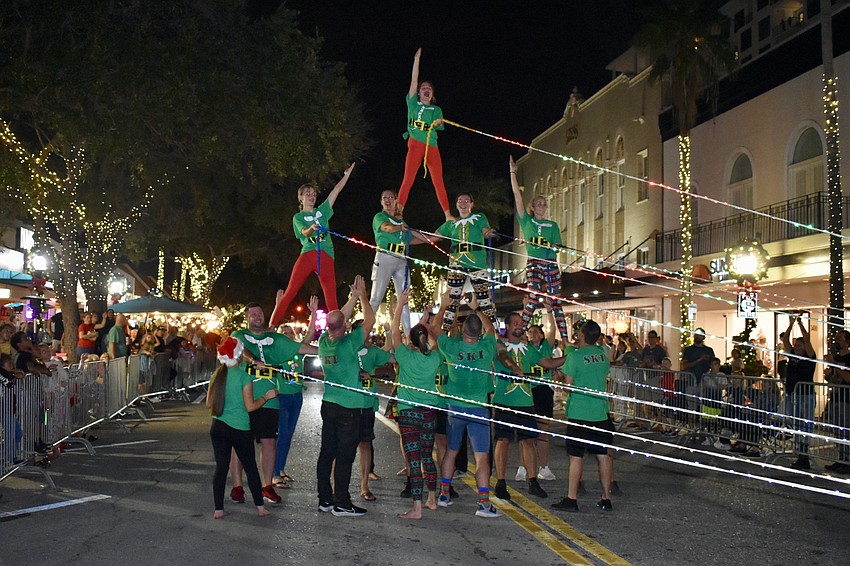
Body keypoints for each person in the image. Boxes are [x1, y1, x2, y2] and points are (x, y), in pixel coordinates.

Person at [229, 299, 319, 504]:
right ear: (246, 318)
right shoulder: (239, 335)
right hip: (244, 396)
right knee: (240, 443)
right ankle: (237, 487)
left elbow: (301, 347)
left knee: (269, 442)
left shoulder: (275, 339)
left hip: (269, 398)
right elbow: (238, 349)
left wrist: (328, 352)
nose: (257, 317)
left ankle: (267, 486)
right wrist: (253, 360)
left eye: (259, 313)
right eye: (252, 314)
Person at [429, 288, 503, 518]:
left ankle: (443, 494)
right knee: (482, 457)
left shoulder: (452, 348)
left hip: (454, 407)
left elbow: (433, 329)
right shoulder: (486, 347)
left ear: (462, 331)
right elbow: (492, 328)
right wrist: (477, 309)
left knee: (451, 451)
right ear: (479, 334)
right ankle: (483, 504)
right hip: (479, 408)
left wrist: (444, 306)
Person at [269, 163, 356, 328]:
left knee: (331, 297)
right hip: (309, 254)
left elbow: (335, 192)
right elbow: (304, 232)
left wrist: (346, 176)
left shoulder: (321, 212)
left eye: (314, 194)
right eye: (307, 194)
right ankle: (272, 326)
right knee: (290, 291)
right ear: (300, 198)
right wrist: (311, 228)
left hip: (326, 255)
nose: (311, 196)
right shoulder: (298, 217)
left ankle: (337, 332)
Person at [316, 275, 375, 517]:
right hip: (348, 408)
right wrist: (362, 296)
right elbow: (369, 319)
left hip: (328, 404)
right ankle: (341, 502)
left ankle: (325, 499)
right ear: (345, 327)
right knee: (344, 457)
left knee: (326, 453)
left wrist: (352, 297)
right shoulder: (350, 343)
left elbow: (338, 317)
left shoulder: (323, 342)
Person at [493, 311, 565, 502]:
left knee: (528, 441)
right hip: (504, 402)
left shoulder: (529, 349)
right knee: (503, 441)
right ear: (507, 326)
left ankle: (533, 481)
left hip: (526, 402)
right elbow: (502, 357)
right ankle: (500, 482)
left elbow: (548, 363)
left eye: (520, 323)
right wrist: (513, 367)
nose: (519, 325)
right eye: (515, 322)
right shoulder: (499, 345)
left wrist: (570, 357)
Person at [207, 337, 276, 519]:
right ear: (238, 356)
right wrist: (267, 397)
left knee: (220, 469)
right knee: (250, 468)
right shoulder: (244, 376)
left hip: (218, 426)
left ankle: (218, 510)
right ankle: (260, 508)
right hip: (239, 428)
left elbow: (208, 403)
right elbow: (250, 406)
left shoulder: (217, 375)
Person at [389, 288, 443, 519]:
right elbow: (432, 342)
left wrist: (400, 305)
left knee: (414, 460)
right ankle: (432, 498)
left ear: (410, 340)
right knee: (427, 456)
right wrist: (427, 322)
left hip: (409, 413)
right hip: (429, 411)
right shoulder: (435, 358)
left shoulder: (405, 356)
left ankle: (417, 508)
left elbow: (394, 333)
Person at [551, 320, 614, 512]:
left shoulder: (575, 357)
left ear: (583, 335)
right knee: (603, 456)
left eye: (579, 332)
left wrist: (561, 376)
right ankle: (606, 498)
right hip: (601, 412)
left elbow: (568, 386)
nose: (577, 335)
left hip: (580, 412)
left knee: (576, 457)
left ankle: (572, 499)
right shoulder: (603, 355)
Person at [509, 156, 569, 342]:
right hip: (534, 263)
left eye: (544, 204)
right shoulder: (527, 221)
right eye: (539, 204)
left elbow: (557, 246)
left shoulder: (553, 225)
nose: (542, 206)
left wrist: (556, 246)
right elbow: (517, 196)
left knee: (556, 301)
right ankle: (520, 333)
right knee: (533, 298)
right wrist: (513, 173)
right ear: (533, 207)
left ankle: (565, 338)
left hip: (550, 263)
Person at [397, 48, 452, 222]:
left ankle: (447, 214)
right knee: (408, 178)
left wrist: (438, 122)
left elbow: (440, 121)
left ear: (432, 94)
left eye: (429, 89)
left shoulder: (436, 109)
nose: (426, 90)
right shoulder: (412, 103)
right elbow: (414, 81)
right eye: (423, 88)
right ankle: (399, 210)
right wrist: (416, 60)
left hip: (432, 146)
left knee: (438, 180)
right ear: (419, 93)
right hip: (415, 143)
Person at [368, 190, 428, 335]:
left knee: (405, 298)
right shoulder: (380, 217)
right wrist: (400, 228)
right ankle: (364, 332)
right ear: (381, 202)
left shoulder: (401, 221)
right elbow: (386, 228)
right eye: (384, 198)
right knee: (376, 297)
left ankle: (409, 336)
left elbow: (412, 238)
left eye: (391, 198)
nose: (388, 200)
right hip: (385, 256)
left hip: (401, 259)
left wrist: (432, 239)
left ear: (396, 201)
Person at [434, 193, 497, 331]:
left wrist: (489, 233)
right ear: (456, 205)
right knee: (452, 300)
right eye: (460, 201)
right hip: (456, 263)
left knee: (484, 300)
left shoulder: (480, 217)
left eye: (466, 201)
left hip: (477, 264)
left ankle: (494, 334)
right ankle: (443, 333)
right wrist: (411, 236)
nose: (463, 203)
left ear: (471, 204)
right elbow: (432, 237)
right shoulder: (450, 224)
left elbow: (485, 231)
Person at [272, 306, 318, 490]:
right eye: (283, 333)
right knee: (281, 434)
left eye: (290, 333)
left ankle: (280, 468)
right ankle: (275, 474)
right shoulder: (276, 352)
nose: (287, 335)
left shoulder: (298, 350)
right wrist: (278, 305)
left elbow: (311, 333)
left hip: (296, 397)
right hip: (281, 397)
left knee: (288, 435)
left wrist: (314, 313)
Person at [353, 320, 393, 502]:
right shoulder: (346, 348)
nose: (368, 335)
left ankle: (364, 486)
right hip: (347, 403)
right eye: (365, 331)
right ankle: (336, 486)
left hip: (367, 403)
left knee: (365, 444)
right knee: (341, 446)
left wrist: (390, 331)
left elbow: (391, 354)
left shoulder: (372, 352)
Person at [781, 316, 817, 470]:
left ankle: (805, 455)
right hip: (792, 394)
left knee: (805, 423)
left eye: (799, 345)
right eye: (796, 345)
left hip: (805, 394)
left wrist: (801, 323)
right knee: (796, 424)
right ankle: (800, 453)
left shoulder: (809, 357)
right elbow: (785, 341)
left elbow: (808, 341)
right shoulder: (792, 356)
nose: (797, 347)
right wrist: (790, 325)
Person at [824, 329, 850, 473]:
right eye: (836, 338)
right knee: (837, 430)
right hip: (835, 397)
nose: (837, 341)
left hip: (845, 399)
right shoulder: (837, 357)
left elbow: (847, 377)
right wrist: (829, 375)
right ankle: (841, 458)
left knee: (845, 429)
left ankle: (847, 460)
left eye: (840, 338)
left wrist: (834, 364)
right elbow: (835, 378)